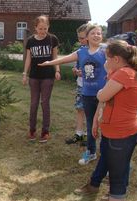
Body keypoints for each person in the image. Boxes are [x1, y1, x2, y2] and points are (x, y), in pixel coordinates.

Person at [89, 39, 137, 201]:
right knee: (118, 171)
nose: (105, 61)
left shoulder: (123, 74)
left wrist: (107, 72)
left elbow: (102, 95)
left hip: (121, 135)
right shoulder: (124, 72)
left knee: (117, 175)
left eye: (107, 58)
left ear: (115, 59)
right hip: (116, 133)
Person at [39, 25, 107, 164]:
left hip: (104, 95)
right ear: (87, 37)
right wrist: (50, 62)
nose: (96, 35)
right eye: (93, 33)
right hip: (87, 94)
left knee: (105, 125)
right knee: (90, 123)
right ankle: (91, 151)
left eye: (99, 33)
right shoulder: (81, 52)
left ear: (102, 36)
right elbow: (65, 59)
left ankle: (107, 157)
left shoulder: (106, 51)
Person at [22, 15, 61, 143]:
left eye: (45, 28)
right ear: (35, 28)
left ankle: (45, 131)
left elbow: (55, 57)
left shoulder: (52, 39)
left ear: (48, 27)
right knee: (33, 104)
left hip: (48, 76)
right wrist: (24, 74)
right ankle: (32, 130)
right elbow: (28, 58)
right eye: (40, 28)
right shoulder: (30, 41)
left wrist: (57, 70)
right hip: (34, 76)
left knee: (45, 103)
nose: (43, 31)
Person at [65, 23, 88, 145]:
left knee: (91, 112)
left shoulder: (98, 51)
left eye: (83, 37)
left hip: (92, 87)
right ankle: (78, 134)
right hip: (80, 86)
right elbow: (76, 65)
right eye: (79, 38)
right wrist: (75, 70)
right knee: (80, 109)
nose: (81, 40)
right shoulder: (80, 51)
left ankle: (88, 136)